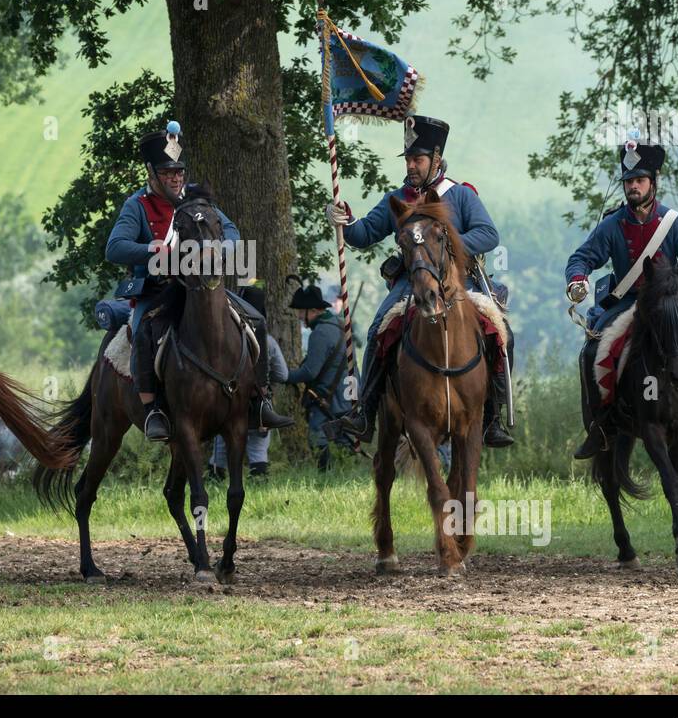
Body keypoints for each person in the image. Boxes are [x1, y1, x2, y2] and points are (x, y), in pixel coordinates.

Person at [325, 114, 513, 446]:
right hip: (410, 282)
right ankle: (365, 413)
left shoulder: (460, 195)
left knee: (501, 332)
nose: (412, 166)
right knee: (378, 327)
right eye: (409, 159)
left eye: (418, 159)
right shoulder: (397, 199)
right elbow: (363, 234)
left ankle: (493, 419)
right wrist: (346, 219)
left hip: (460, 281)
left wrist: (448, 246)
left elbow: (488, 234)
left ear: (436, 159)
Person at [105, 121, 293, 442]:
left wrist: (220, 248)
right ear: (151, 173)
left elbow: (231, 231)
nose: (176, 179)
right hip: (160, 291)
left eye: (179, 172)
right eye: (168, 173)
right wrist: (152, 248)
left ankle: (260, 401)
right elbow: (115, 248)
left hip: (201, 288)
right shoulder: (136, 206)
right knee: (142, 332)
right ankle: (153, 411)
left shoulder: (196, 201)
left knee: (257, 321)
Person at [564, 134, 678, 459]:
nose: (633, 187)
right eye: (629, 181)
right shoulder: (613, 224)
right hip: (627, 306)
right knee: (591, 351)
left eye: (639, 180)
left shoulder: (674, 223)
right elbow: (580, 259)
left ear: (654, 182)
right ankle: (600, 426)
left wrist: (674, 291)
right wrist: (577, 281)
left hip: (669, 303)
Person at [207, 285, 288, 479]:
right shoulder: (268, 341)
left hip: (229, 400)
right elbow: (283, 374)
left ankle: (215, 480)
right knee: (258, 450)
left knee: (220, 449)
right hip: (256, 401)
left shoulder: (223, 341)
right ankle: (259, 481)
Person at [286, 283, 353, 470]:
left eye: (302, 312)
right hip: (347, 397)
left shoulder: (321, 332)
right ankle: (345, 474)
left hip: (328, 399)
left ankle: (326, 477)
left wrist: (284, 376)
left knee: (317, 437)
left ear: (314, 311)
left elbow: (309, 372)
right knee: (344, 441)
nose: (300, 317)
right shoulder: (339, 326)